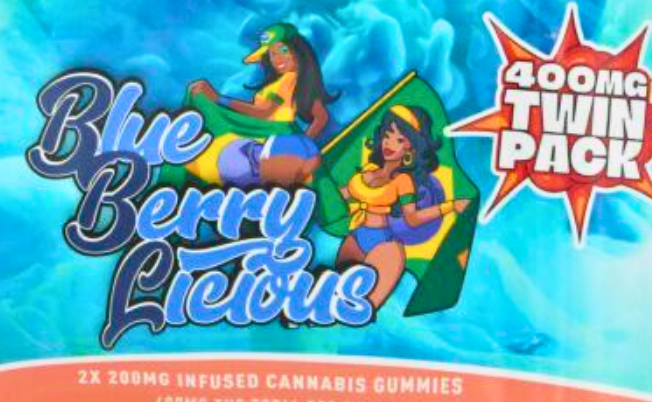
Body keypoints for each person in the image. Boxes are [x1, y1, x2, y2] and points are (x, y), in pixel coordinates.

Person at [337, 105, 470, 311]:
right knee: (336, 296)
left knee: (364, 308)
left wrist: (451, 206)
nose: (389, 143)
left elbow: (413, 219)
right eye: (387, 135)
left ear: (412, 148)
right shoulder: (369, 170)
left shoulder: (403, 181)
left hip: (385, 245)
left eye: (400, 140)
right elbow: (339, 196)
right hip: (355, 237)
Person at [188, 22, 336, 187]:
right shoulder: (296, 81)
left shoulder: (287, 81)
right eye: (272, 54)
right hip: (282, 136)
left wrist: (218, 99)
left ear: (299, 51)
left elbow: (264, 113)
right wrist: (303, 144)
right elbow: (321, 116)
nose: (278, 59)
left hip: (273, 135)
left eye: (284, 50)